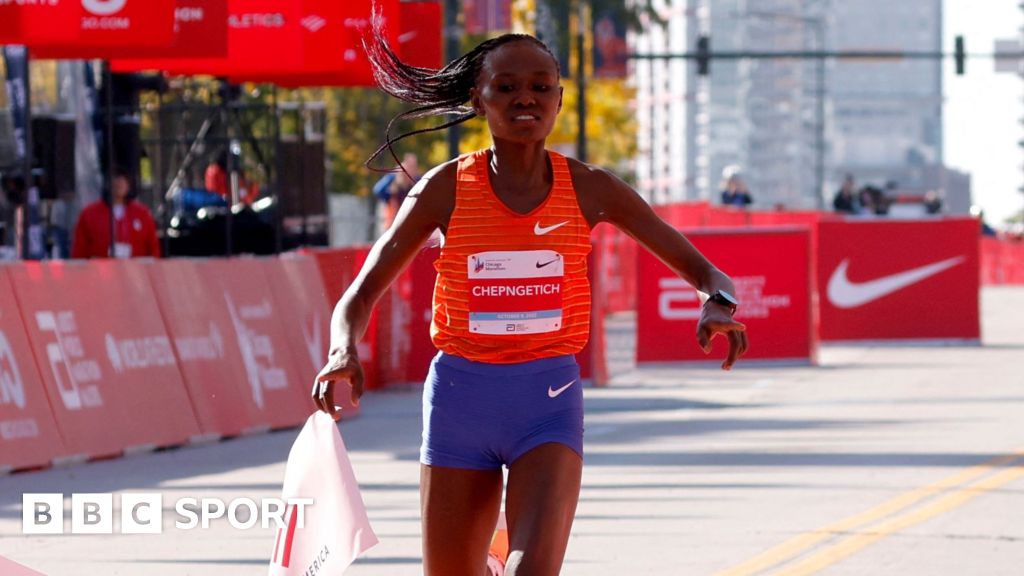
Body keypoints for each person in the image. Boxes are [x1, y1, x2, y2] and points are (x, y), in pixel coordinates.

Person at [312, 32, 748, 575]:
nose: (526, 98)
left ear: (560, 100)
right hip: (459, 401)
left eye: (541, 87)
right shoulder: (444, 189)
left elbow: (708, 273)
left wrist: (717, 302)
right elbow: (360, 293)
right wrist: (340, 350)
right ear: (480, 99)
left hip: (547, 401)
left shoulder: (591, 189)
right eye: (508, 86)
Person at [72, 168, 160, 259]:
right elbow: (79, 250)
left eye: (122, 181)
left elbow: (153, 248)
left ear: (128, 185)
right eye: (115, 181)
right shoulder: (89, 214)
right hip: (100, 270)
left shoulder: (142, 213)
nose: (119, 184)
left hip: (135, 270)